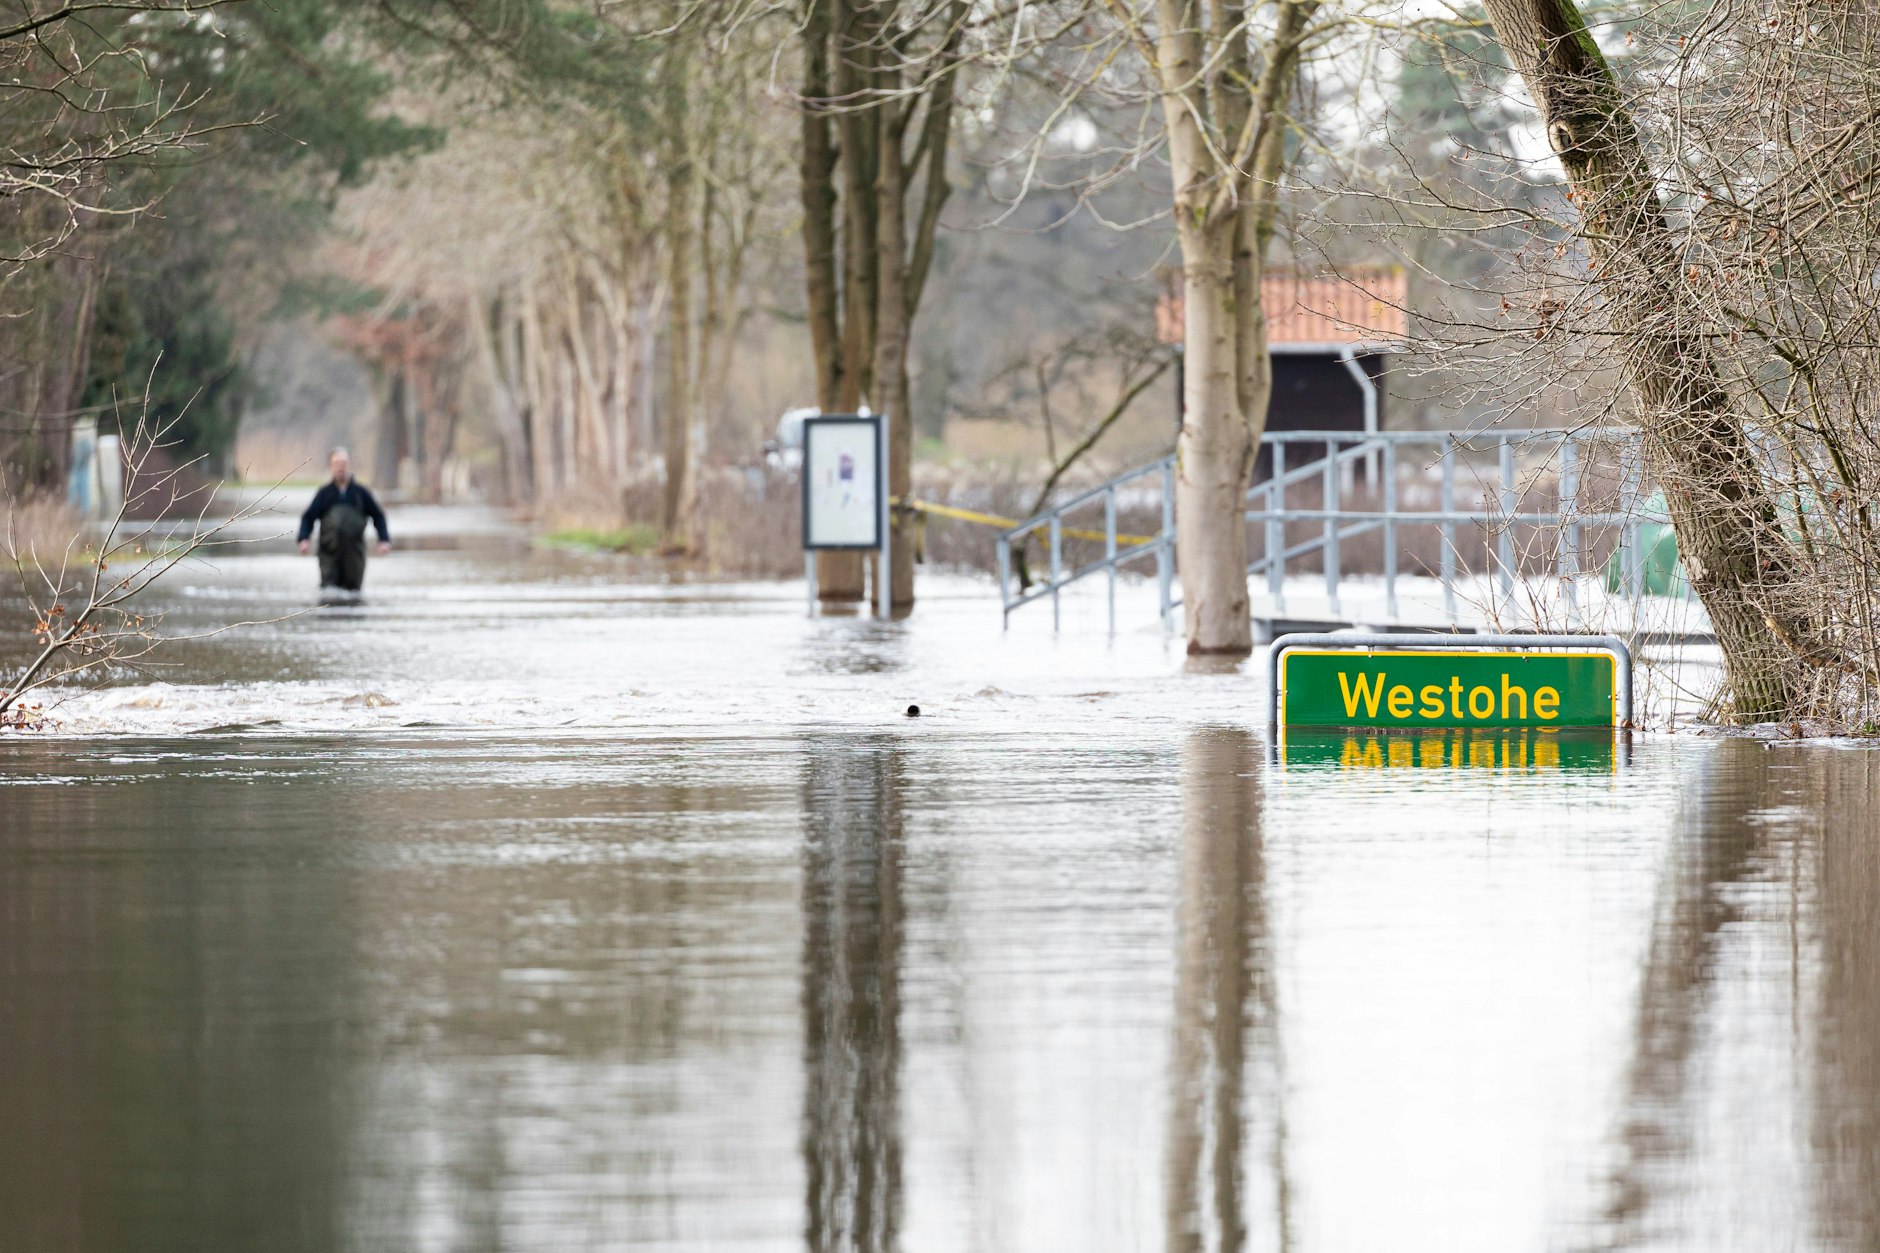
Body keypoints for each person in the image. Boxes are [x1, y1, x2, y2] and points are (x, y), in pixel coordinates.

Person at [297, 448, 391, 592]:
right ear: (331, 466)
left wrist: (383, 540)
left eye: (343, 463)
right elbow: (308, 517)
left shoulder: (361, 493)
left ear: (349, 465)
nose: (340, 466)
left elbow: (378, 516)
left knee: (353, 593)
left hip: (354, 554)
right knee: (329, 592)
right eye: (336, 463)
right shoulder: (325, 493)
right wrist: (304, 539)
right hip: (329, 553)